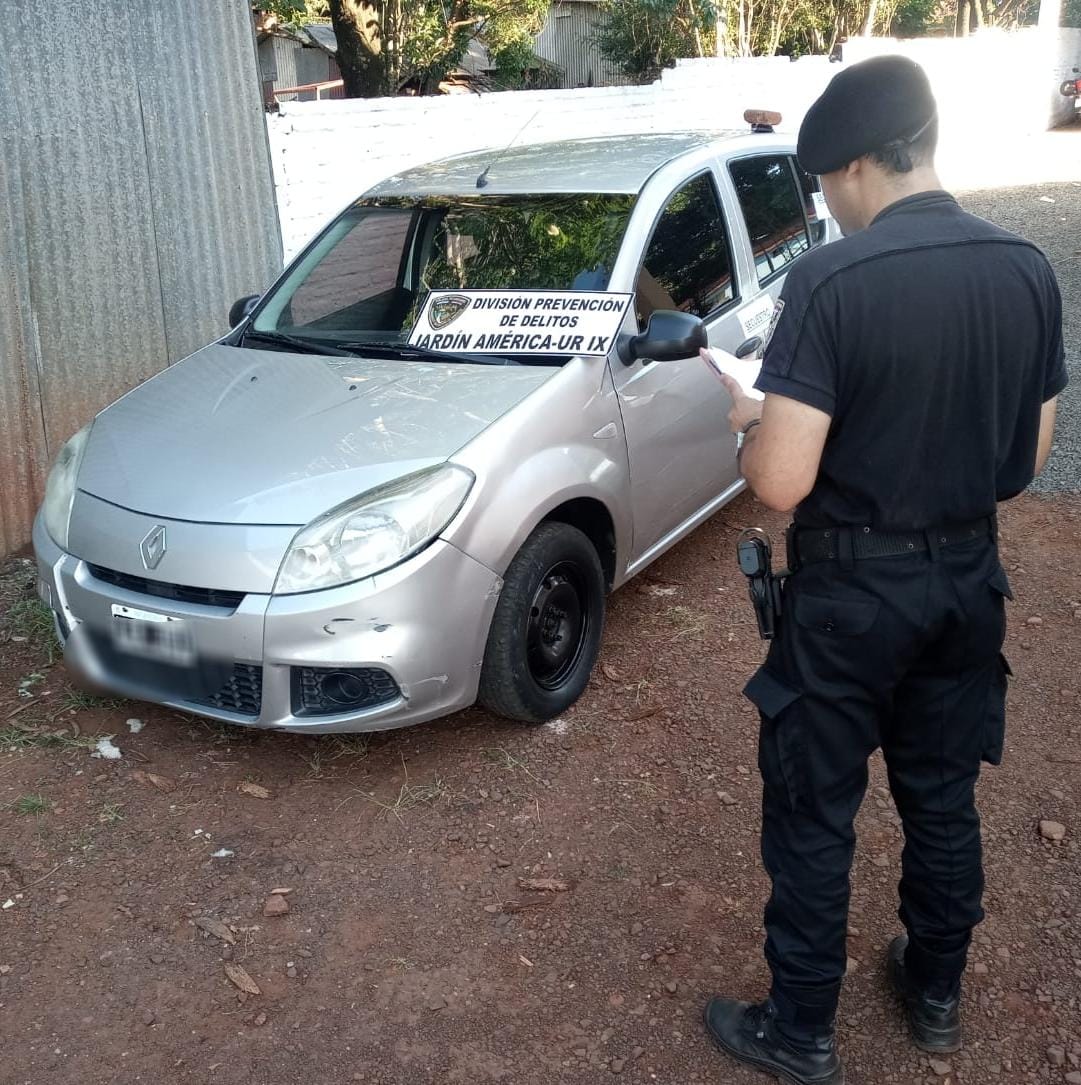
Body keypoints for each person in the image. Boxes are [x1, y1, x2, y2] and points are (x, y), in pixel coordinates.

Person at [701, 55, 1067, 1085]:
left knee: (815, 809)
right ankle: (935, 989)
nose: (828, 203)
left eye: (826, 184)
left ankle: (801, 1029)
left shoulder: (830, 281)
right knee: (941, 794)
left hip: (851, 597)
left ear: (857, 163)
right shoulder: (1026, 269)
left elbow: (778, 481)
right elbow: (1024, 464)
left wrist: (747, 422)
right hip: (965, 585)